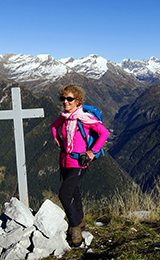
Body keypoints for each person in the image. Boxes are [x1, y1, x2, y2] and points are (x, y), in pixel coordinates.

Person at [51, 85, 110, 247]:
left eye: (69, 99)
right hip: (64, 160)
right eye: (63, 98)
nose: (65, 102)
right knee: (73, 190)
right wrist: (56, 137)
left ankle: (75, 226)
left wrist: (92, 152)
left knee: (64, 193)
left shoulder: (84, 118)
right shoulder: (64, 117)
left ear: (78, 101)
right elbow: (53, 126)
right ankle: (81, 219)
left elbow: (105, 133)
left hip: (79, 162)